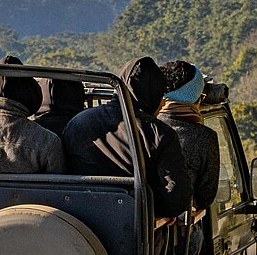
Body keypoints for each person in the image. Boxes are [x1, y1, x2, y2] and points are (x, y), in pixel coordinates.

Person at [61, 57, 190, 218]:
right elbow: (176, 199)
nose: (163, 104)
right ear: (154, 93)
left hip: (81, 219)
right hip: (133, 226)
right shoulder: (159, 133)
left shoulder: (77, 122)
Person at [157, 61, 219, 212]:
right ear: (196, 99)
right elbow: (206, 197)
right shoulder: (204, 137)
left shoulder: (137, 126)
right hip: (181, 228)